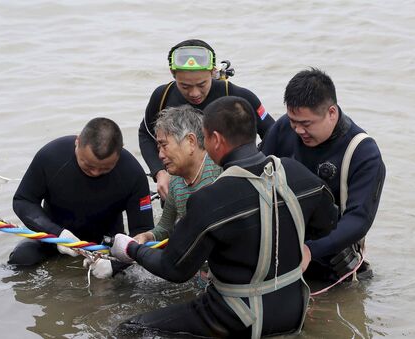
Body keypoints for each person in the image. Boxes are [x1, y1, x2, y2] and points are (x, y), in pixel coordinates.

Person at [110, 96, 337, 338]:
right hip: (293, 310)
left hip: (237, 317)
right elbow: (328, 223)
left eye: (205, 138)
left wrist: (132, 249)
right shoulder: (296, 172)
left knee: (130, 329)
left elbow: (174, 270)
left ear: (215, 140)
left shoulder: (210, 198)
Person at [261, 68, 386, 282]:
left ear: (331, 113)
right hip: (281, 249)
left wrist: (310, 250)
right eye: (294, 121)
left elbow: (359, 220)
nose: (298, 130)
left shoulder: (363, 153)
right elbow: (257, 173)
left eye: (306, 124)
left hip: (331, 263)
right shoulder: (284, 128)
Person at [9, 117, 154, 279]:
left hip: (105, 244)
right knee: (21, 260)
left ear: (119, 153)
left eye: (105, 168)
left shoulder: (133, 174)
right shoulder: (51, 156)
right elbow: (23, 200)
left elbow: (142, 233)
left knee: (121, 283)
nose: (95, 173)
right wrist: (57, 234)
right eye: (88, 165)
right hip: (54, 237)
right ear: (77, 142)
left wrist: (114, 265)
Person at [139, 39, 275, 201]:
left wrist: (254, 170)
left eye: (202, 84)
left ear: (212, 72)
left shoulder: (239, 97)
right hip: (179, 190)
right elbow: (145, 134)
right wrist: (159, 172)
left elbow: (274, 133)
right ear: (172, 73)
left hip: (231, 188)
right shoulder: (162, 96)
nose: (194, 93)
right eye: (185, 86)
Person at [134, 105, 222, 244]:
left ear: (191, 141)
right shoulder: (175, 182)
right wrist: (146, 237)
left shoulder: (221, 167)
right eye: (158, 148)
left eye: (164, 145)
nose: (160, 155)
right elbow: (164, 228)